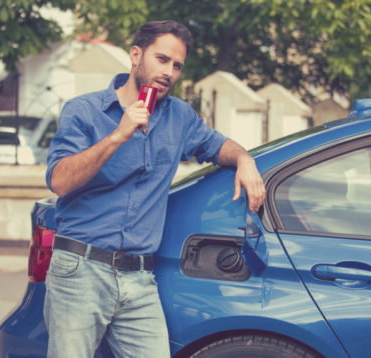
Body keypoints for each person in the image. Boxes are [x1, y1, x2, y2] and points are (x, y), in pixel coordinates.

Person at [43, 20, 266, 358]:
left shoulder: (179, 116)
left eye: (177, 65)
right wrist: (119, 134)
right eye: (162, 59)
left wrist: (245, 159)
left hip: (139, 279)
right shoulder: (84, 111)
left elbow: (219, 146)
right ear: (136, 55)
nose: (170, 72)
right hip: (81, 269)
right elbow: (60, 180)